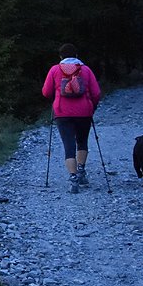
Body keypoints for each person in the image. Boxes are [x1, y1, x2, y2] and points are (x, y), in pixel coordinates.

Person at [42, 43, 102, 193]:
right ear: (76, 55)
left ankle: (73, 178)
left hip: (62, 113)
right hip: (84, 113)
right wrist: (92, 106)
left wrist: (55, 98)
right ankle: (81, 170)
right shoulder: (86, 70)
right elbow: (96, 93)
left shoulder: (55, 70)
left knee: (68, 146)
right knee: (82, 141)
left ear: (60, 56)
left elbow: (46, 92)